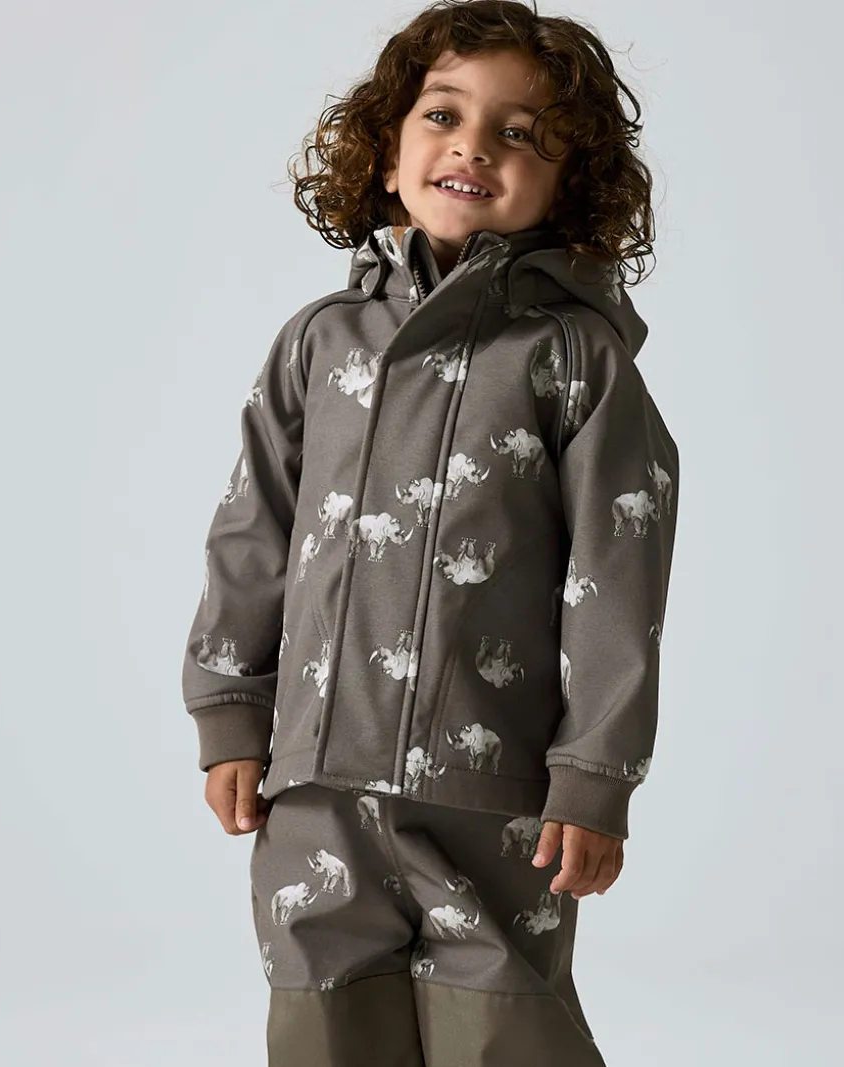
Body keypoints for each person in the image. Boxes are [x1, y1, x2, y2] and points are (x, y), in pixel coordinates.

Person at [180, 1, 679, 1063]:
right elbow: (252, 529)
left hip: (493, 796)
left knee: (503, 1032)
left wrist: (595, 774)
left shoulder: (574, 360)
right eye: (443, 115)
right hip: (312, 781)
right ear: (386, 147)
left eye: (519, 132)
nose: (472, 145)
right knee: (324, 1030)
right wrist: (229, 707)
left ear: (572, 182)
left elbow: (618, 578)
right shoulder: (319, 343)